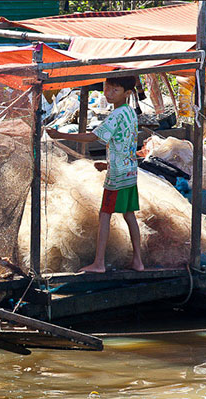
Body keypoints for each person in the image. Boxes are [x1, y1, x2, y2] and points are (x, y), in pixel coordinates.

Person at [46, 76, 144, 273]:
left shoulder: (117, 115)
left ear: (127, 94)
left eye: (114, 90)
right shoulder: (130, 113)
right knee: (129, 214)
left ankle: (99, 263)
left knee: (105, 215)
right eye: (107, 88)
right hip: (129, 172)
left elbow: (93, 137)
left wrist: (61, 135)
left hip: (117, 177)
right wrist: (107, 164)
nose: (108, 93)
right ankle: (138, 261)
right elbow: (124, 144)